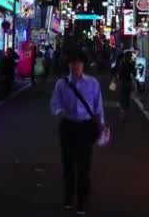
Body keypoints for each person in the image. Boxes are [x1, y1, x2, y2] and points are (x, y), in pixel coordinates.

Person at [51, 51, 105, 215]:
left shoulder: (92, 83)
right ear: (69, 65)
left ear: (83, 65)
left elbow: (98, 105)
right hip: (68, 125)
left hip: (86, 126)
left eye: (79, 63)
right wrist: (59, 111)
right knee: (68, 163)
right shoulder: (61, 84)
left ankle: (82, 200)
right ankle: (68, 196)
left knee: (84, 165)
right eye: (73, 63)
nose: (76, 66)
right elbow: (55, 103)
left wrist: (101, 125)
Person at [116, 52, 135, 120]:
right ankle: (126, 112)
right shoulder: (132, 64)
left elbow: (118, 72)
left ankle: (122, 112)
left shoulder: (121, 63)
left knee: (122, 97)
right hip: (129, 82)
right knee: (127, 97)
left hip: (122, 82)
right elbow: (134, 73)